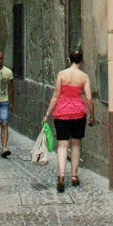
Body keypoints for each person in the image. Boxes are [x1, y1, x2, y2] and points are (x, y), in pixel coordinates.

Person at [43, 48, 94, 192]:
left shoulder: (61, 75)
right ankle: (74, 175)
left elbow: (55, 96)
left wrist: (47, 113)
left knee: (62, 146)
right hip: (78, 113)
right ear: (81, 62)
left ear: (69, 60)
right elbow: (89, 99)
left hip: (62, 113)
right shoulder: (84, 77)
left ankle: (61, 174)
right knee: (76, 144)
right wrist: (92, 115)